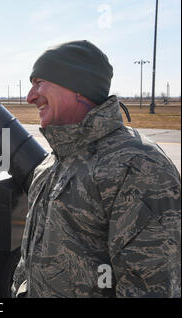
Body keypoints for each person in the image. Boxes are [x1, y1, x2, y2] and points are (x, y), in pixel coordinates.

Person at [12, 40, 181, 298]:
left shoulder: (137, 165)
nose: (30, 96)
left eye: (39, 83)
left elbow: (152, 286)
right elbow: (29, 263)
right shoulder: (51, 162)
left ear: (78, 87)